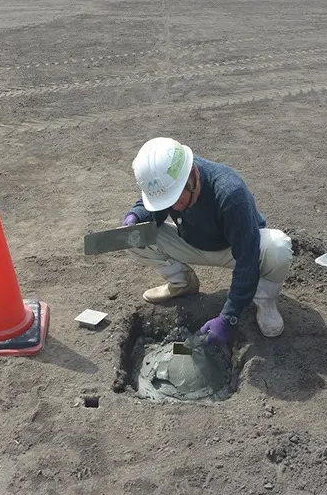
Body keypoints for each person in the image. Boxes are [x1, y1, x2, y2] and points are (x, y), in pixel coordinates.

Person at [123, 137, 293, 345]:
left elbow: (247, 259)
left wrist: (228, 318)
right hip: (191, 242)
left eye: (177, 198)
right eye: (168, 201)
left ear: (192, 174)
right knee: (131, 237)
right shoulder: (168, 182)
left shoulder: (230, 193)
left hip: (233, 248)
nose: (175, 207)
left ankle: (264, 299)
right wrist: (136, 216)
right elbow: (152, 209)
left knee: (278, 247)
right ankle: (182, 283)